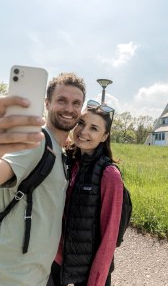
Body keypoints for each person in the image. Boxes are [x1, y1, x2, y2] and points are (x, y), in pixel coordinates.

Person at [0, 72, 86, 286]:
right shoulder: (35, 143)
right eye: (61, 100)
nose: (69, 109)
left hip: (35, 278)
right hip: (5, 278)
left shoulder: (61, 152)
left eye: (76, 103)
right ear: (47, 103)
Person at [48, 100, 124, 286]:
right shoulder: (67, 162)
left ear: (104, 136)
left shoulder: (109, 175)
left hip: (87, 270)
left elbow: (109, 236)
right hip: (54, 260)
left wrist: (96, 281)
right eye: (81, 124)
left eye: (94, 128)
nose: (83, 132)